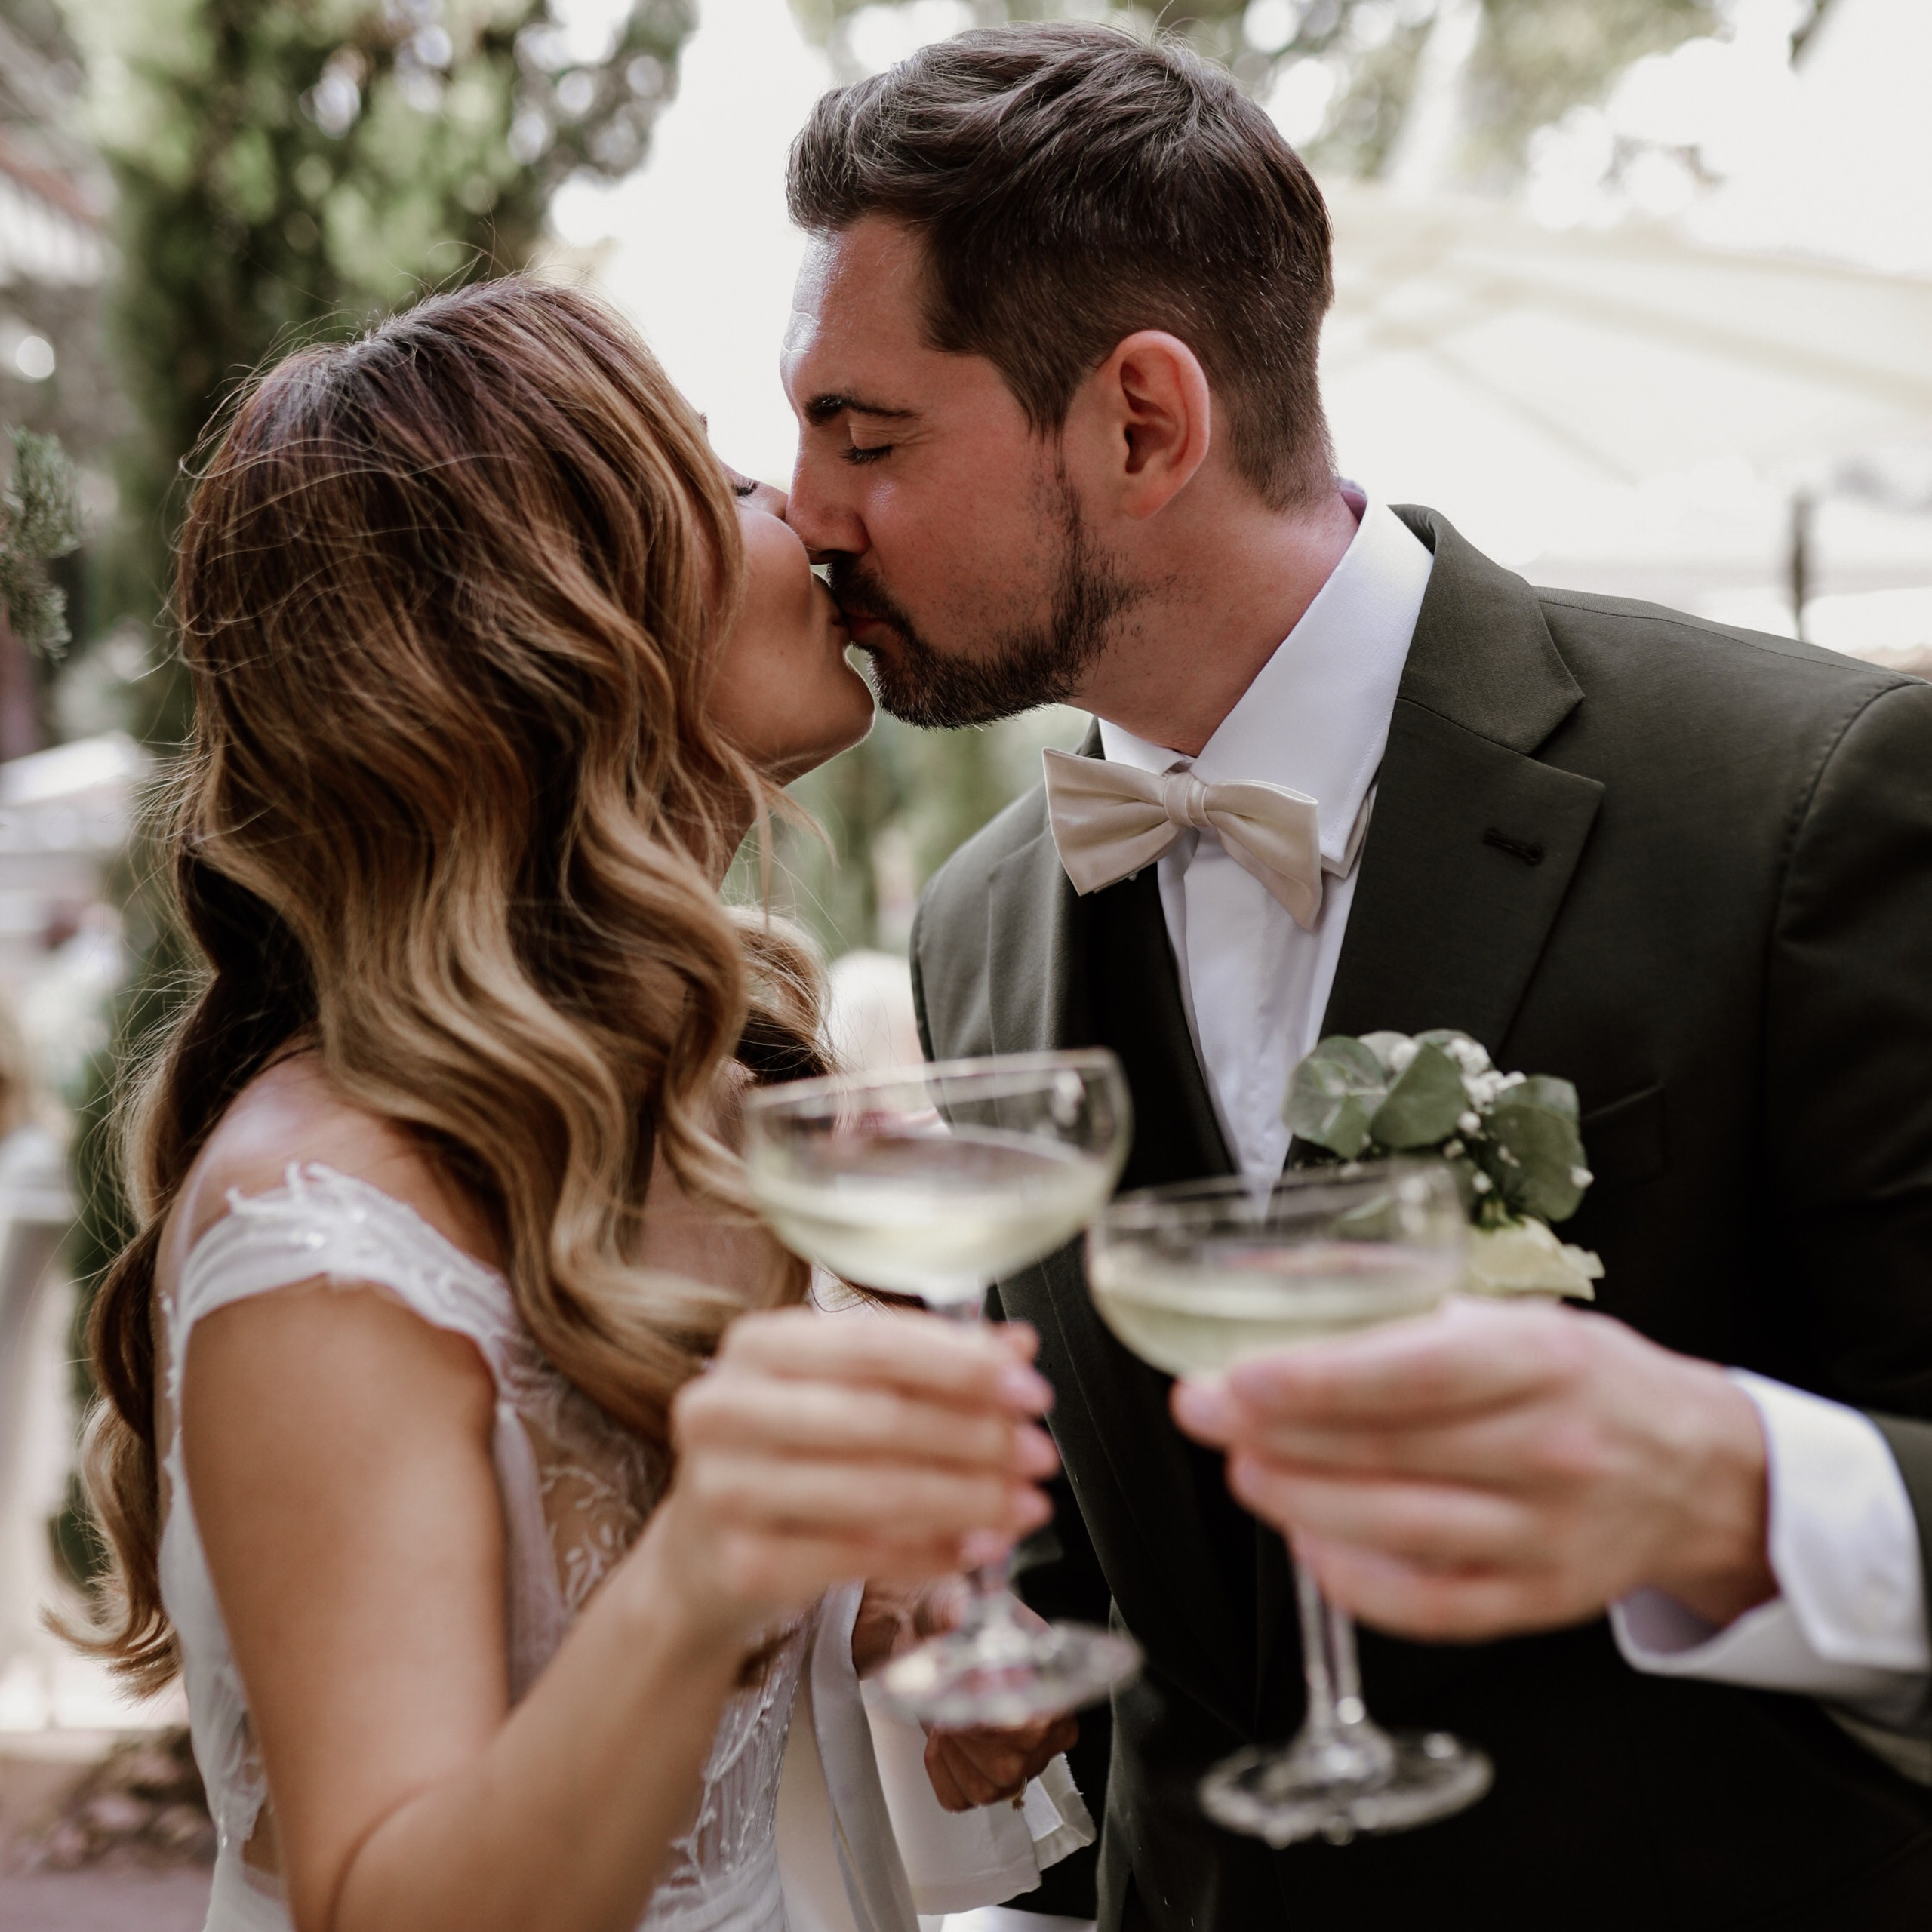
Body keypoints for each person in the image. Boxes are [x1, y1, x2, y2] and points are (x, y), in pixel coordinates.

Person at [780, 24, 1932, 1931]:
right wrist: (980, 1602)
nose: (810, 512)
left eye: (867, 433)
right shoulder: (982, 925)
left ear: (1142, 424)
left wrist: (1728, 1485)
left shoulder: (1797, 800)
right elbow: (1134, 1572)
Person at [68, 277, 1078, 1932]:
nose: (799, 513)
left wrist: (878, 1606)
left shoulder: (709, 1108)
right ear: (556, 625)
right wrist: (712, 1566)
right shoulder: (324, 1232)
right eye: (716, 479)